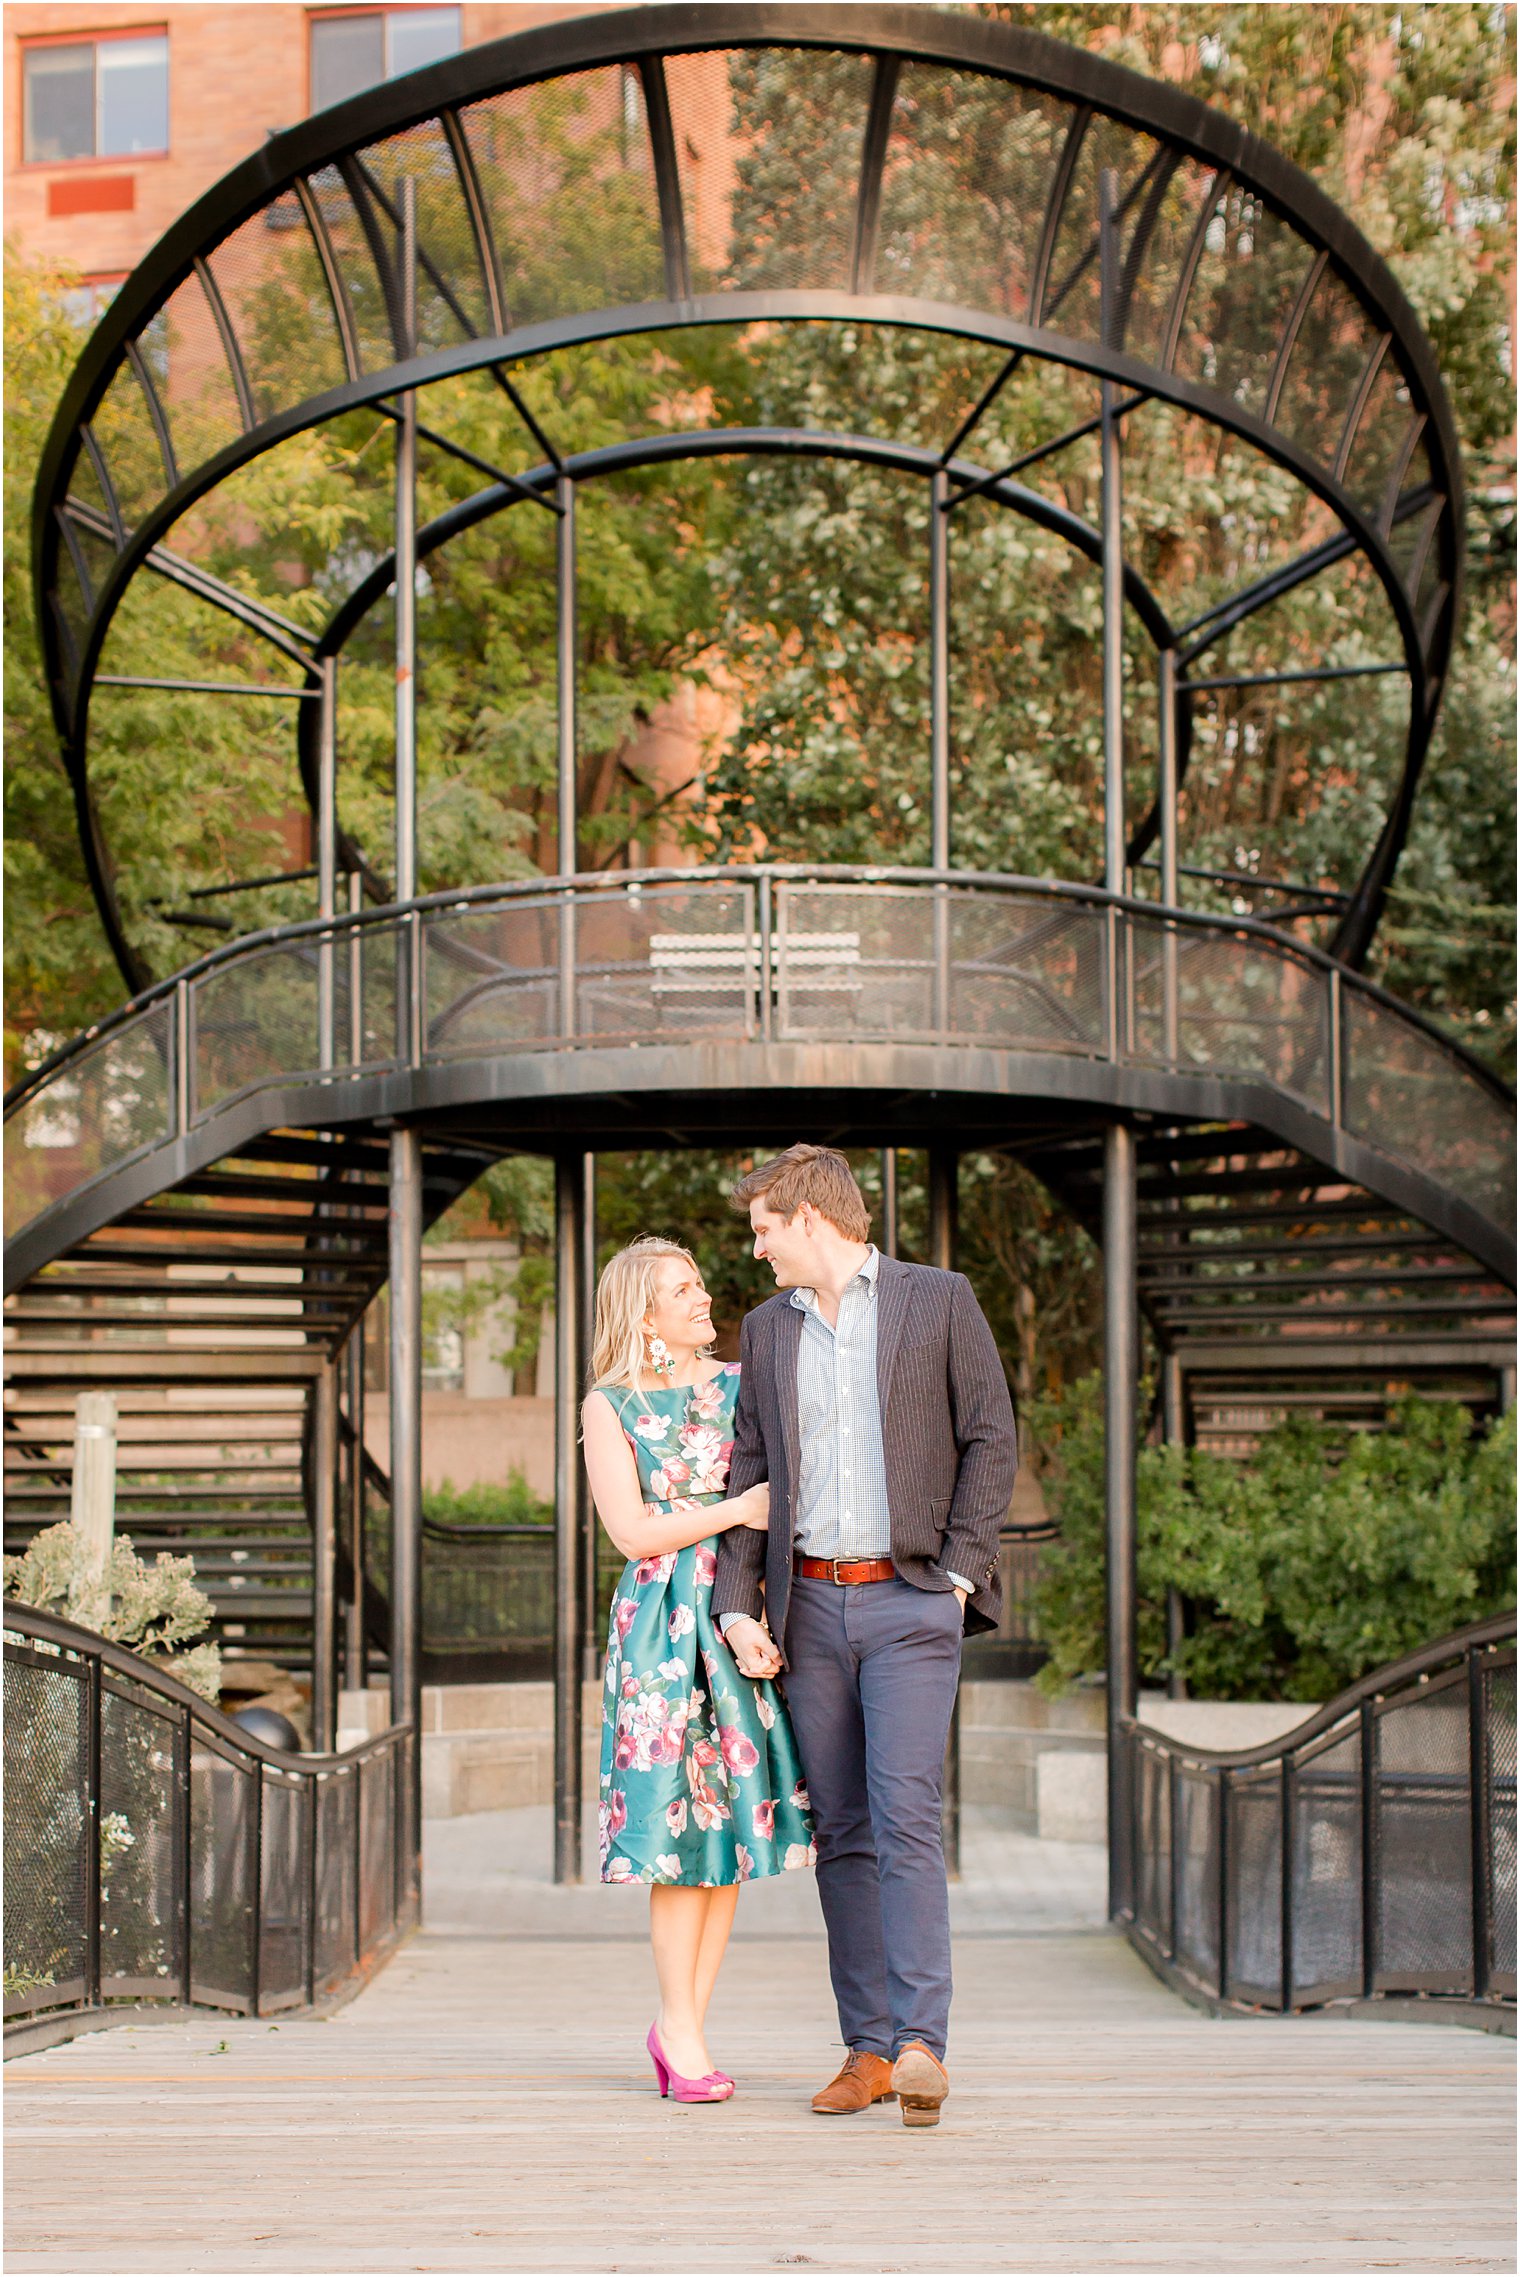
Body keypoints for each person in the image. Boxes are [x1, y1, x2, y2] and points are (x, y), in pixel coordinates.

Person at [713, 1145, 1018, 2129]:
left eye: (762, 1227)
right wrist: (736, 1602)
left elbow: (989, 1438)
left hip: (910, 1607)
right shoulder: (764, 1332)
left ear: (808, 1219)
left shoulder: (939, 1300)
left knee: (903, 1816)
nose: (755, 1249)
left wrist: (958, 1575)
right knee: (839, 1834)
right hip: (810, 1610)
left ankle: (924, 2043)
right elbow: (747, 1475)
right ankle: (869, 2050)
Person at [582, 1235, 815, 2105]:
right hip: (658, 1633)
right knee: (677, 1838)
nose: (702, 1298)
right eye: (682, 1290)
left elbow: (777, 1497)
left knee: (725, 1833)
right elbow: (632, 1533)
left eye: (699, 1284)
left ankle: (685, 2026)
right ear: (645, 1314)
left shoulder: (739, 1383)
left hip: (737, 1618)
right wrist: (735, 1506)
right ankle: (678, 2028)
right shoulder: (608, 1406)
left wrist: (747, 1559)